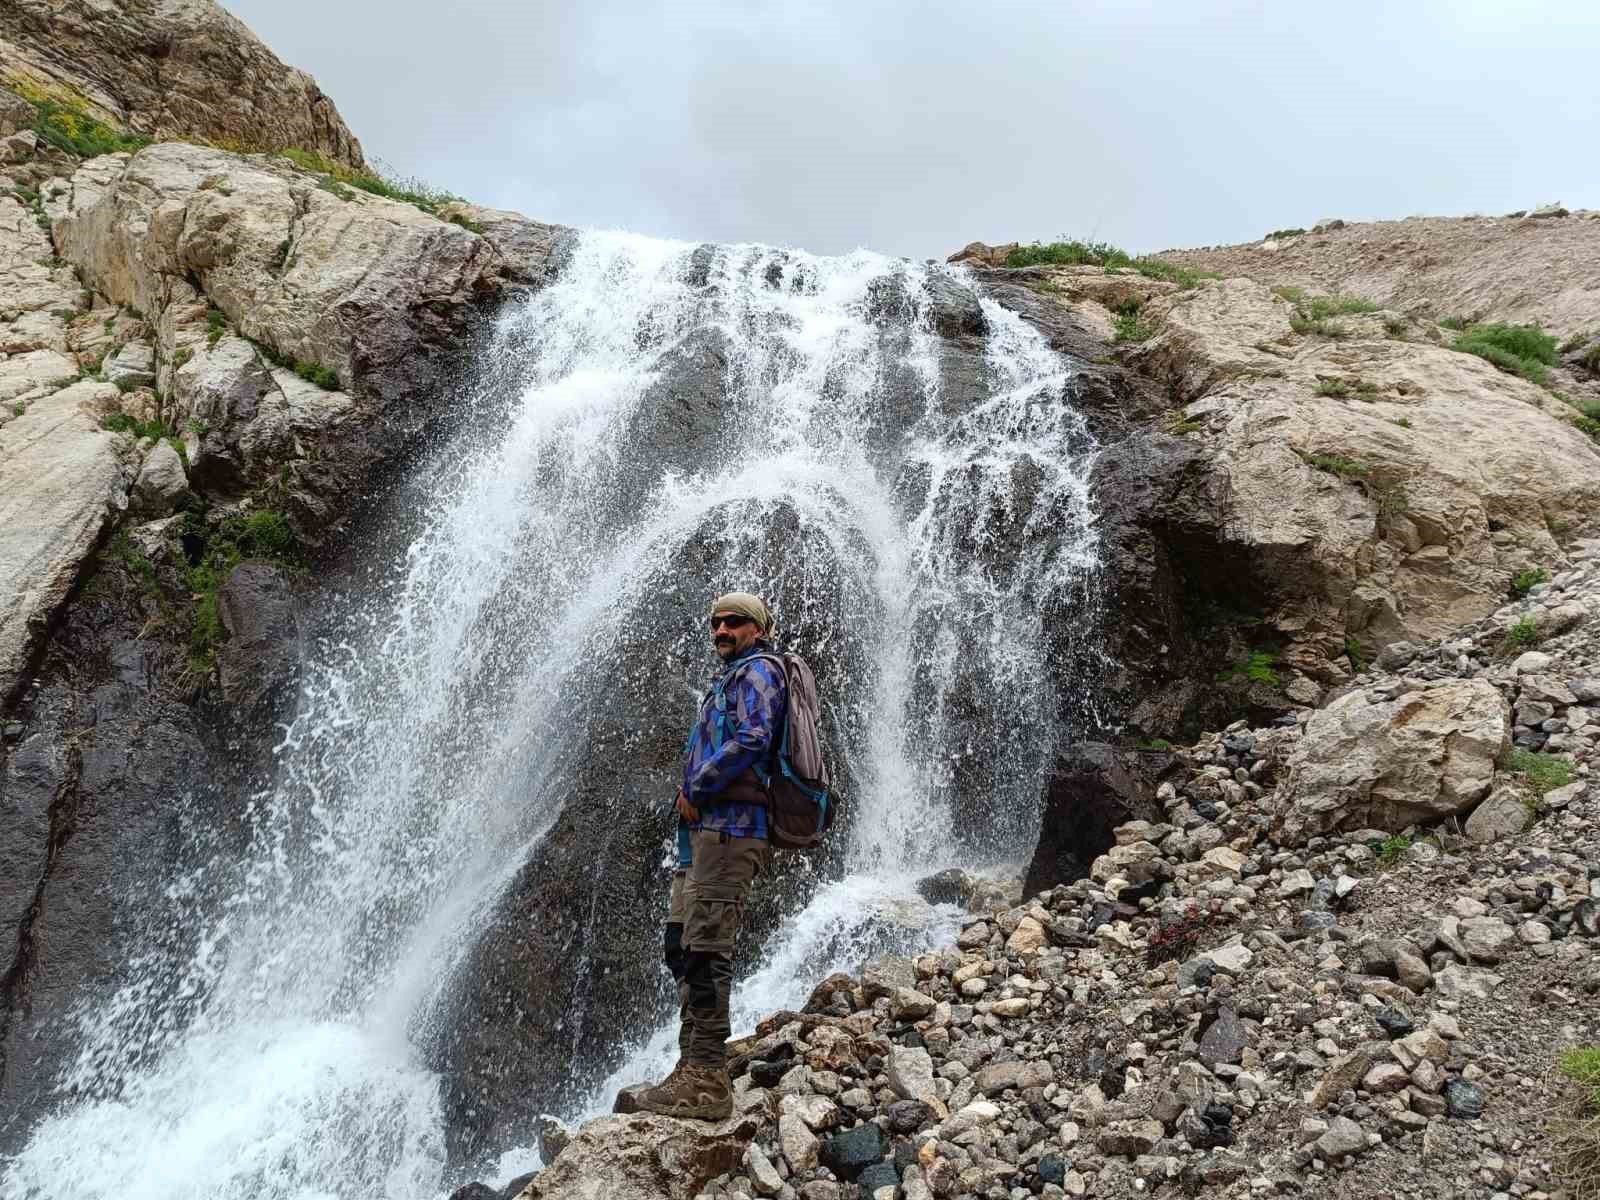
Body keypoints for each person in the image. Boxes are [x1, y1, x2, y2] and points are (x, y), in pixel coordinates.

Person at [635, 591, 786, 1120]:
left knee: (707, 948)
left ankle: (708, 1082)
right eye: (716, 622)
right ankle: (689, 1065)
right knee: (682, 944)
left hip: (731, 830)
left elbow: (753, 738)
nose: (721, 630)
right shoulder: (729, 677)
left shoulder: (760, 673)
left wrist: (695, 788)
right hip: (701, 838)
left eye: (734, 622)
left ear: (756, 628)